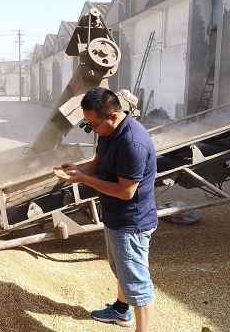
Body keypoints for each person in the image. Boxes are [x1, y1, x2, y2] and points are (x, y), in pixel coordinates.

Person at [54, 87, 158, 332]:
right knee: (123, 269)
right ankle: (121, 313)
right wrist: (76, 171)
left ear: (112, 116)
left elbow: (126, 191)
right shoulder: (108, 133)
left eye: (93, 124)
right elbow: (98, 163)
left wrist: (83, 180)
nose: (92, 129)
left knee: (138, 285)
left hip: (132, 222)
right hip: (116, 217)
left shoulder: (133, 143)